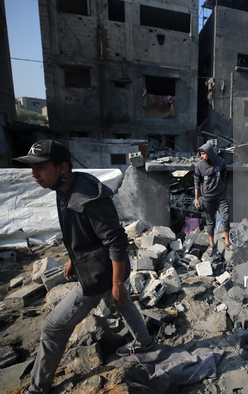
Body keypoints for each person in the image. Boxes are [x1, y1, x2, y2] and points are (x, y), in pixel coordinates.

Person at [13, 140, 152, 393]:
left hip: (99, 275)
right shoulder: (66, 186)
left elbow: (117, 241)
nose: (34, 174)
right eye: (32, 169)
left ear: (62, 167)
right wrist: (71, 258)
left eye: (40, 168)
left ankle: (37, 388)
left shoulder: (88, 197)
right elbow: (83, 232)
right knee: (120, 302)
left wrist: (117, 283)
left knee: (53, 327)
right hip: (96, 266)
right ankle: (144, 342)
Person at [194, 142, 232, 255]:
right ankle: (211, 245)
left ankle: (227, 241)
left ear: (210, 153)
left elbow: (224, 173)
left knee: (226, 217)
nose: (202, 156)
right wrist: (196, 198)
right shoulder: (199, 166)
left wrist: (221, 186)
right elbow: (196, 182)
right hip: (207, 199)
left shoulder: (220, 162)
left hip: (220, 196)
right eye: (201, 154)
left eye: (203, 154)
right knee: (210, 222)